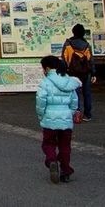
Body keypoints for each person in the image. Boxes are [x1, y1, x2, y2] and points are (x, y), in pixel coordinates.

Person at [36, 54, 81, 184]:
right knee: (65, 146)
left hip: (49, 119)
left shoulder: (45, 83)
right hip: (66, 120)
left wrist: (41, 115)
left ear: (47, 68)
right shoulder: (69, 81)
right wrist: (69, 114)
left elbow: (40, 102)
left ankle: (51, 161)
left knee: (48, 143)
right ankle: (66, 171)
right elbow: (74, 102)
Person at [62, 23, 96, 120]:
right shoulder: (86, 45)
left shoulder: (68, 44)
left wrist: (64, 71)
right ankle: (87, 114)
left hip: (72, 72)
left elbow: (64, 58)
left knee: (74, 93)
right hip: (86, 72)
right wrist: (93, 73)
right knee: (87, 93)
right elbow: (90, 60)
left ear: (73, 32)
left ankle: (76, 113)